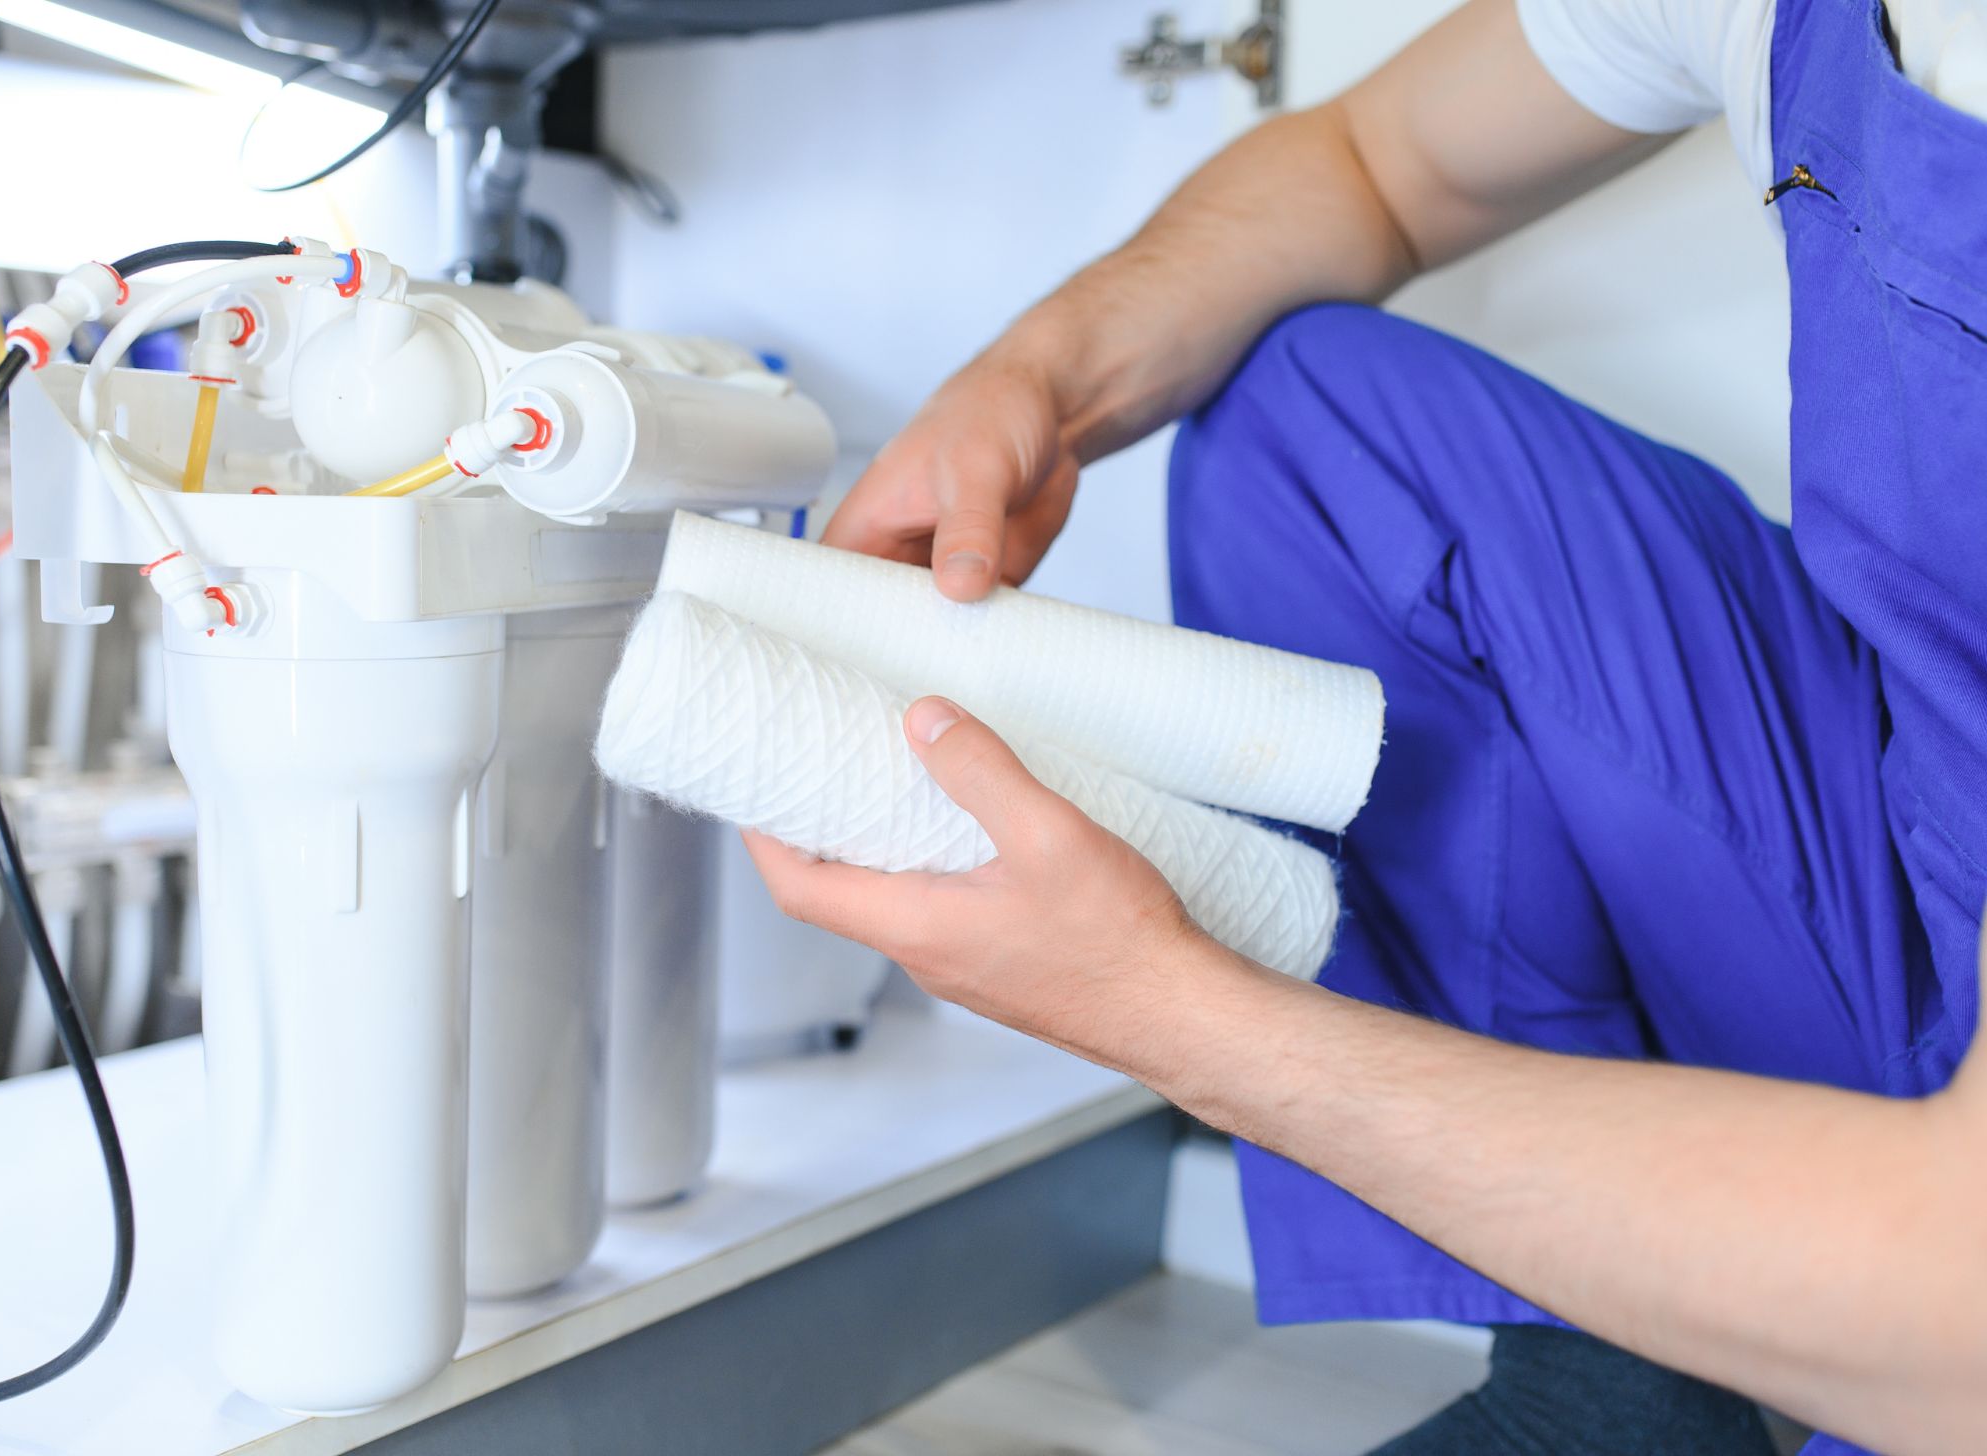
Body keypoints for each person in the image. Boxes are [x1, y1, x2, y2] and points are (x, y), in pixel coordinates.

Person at [745, 0, 1987, 1451]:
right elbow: (1376, 160)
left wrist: (1170, 1009)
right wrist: (1038, 378)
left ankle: (1772, 1330)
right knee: (1315, 433)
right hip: (1932, 815)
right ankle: (1617, 1375)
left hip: (1951, 1275)